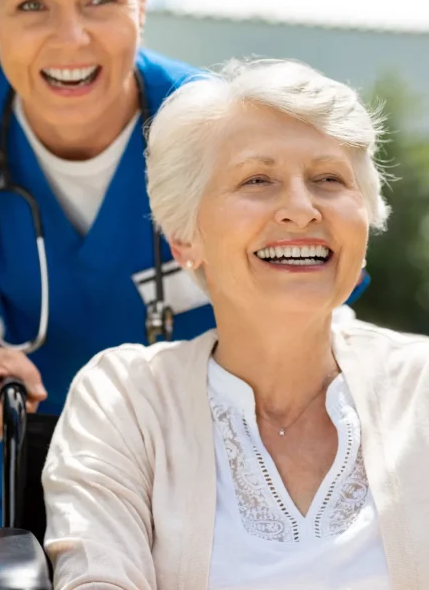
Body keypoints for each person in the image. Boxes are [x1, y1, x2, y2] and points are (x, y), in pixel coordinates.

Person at [0, 0, 368, 590]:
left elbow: (318, 305)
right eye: (31, 6)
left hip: (203, 486)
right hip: (9, 494)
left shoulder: (222, 133)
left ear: (140, 1)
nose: (70, 36)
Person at [41, 58, 429, 590]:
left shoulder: (422, 385)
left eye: (328, 179)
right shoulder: (124, 400)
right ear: (185, 238)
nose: (301, 208)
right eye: (258, 179)